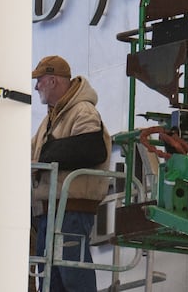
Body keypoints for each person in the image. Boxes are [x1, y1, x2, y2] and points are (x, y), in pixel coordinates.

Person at [30, 55, 111, 292]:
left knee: (72, 276)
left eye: (40, 80)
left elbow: (90, 149)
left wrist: (46, 153)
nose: (36, 87)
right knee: (49, 279)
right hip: (51, 210)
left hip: (71, 208)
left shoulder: (83, 111)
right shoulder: (51, 118)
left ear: (53, 81)